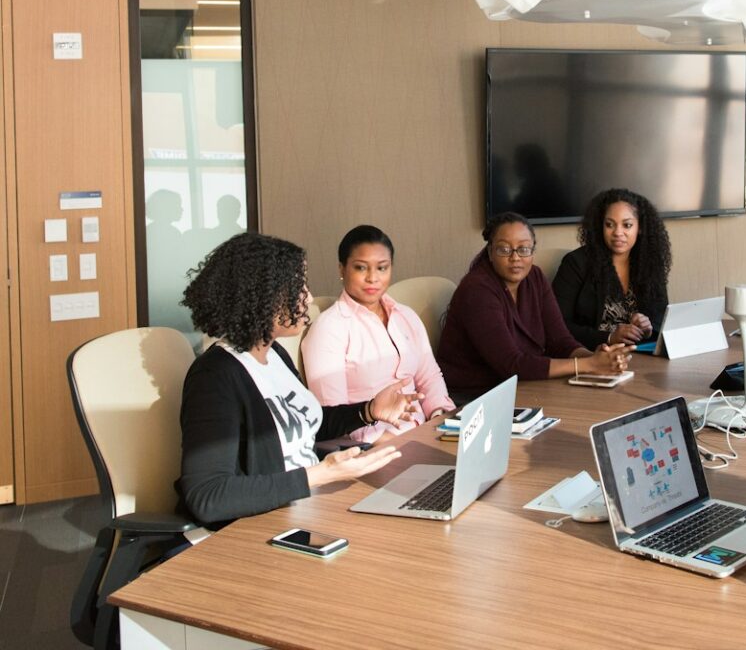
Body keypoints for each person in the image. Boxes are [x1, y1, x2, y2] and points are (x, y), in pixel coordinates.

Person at [177, 232, 420, 527]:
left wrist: (368, 411)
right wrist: (321, 474)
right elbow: (209, 496)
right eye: (297, 287)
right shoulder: (215, 376)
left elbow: (303, 428)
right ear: (262, 297)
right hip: (265, 525)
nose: (306, 296)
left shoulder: (274, 353)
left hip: (311, 506)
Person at [436, 212, 633, 401]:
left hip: (523, 386)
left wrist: (598, 358)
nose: (515, 258)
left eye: (523, 249)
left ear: (532, 251)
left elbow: (561, 342)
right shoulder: (477, 289)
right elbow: (511, 365)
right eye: (504, 249)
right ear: (490, 252)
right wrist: (588, 365)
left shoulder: (535, 277)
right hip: (474, 397)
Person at [302, 224, 455, 443]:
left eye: (382, 268)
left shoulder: (405, 315)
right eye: (361, 268)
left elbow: (429, 377)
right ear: (341, 269)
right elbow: (332, 416)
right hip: (377, 447)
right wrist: (392, 443)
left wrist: (441, 418)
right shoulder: (329, 330)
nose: (373, 278)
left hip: (427, 434)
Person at [552, 188, 671, 349]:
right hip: (592, 355)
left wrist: (648, 328)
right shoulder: (575, 263)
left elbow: (662, 319)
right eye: (610, 225)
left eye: (627, 225)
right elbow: (557, 324)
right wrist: (609, 337)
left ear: (640, 228)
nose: (618, 233)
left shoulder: (649, 264)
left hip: (640, 353)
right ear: (600, 227)